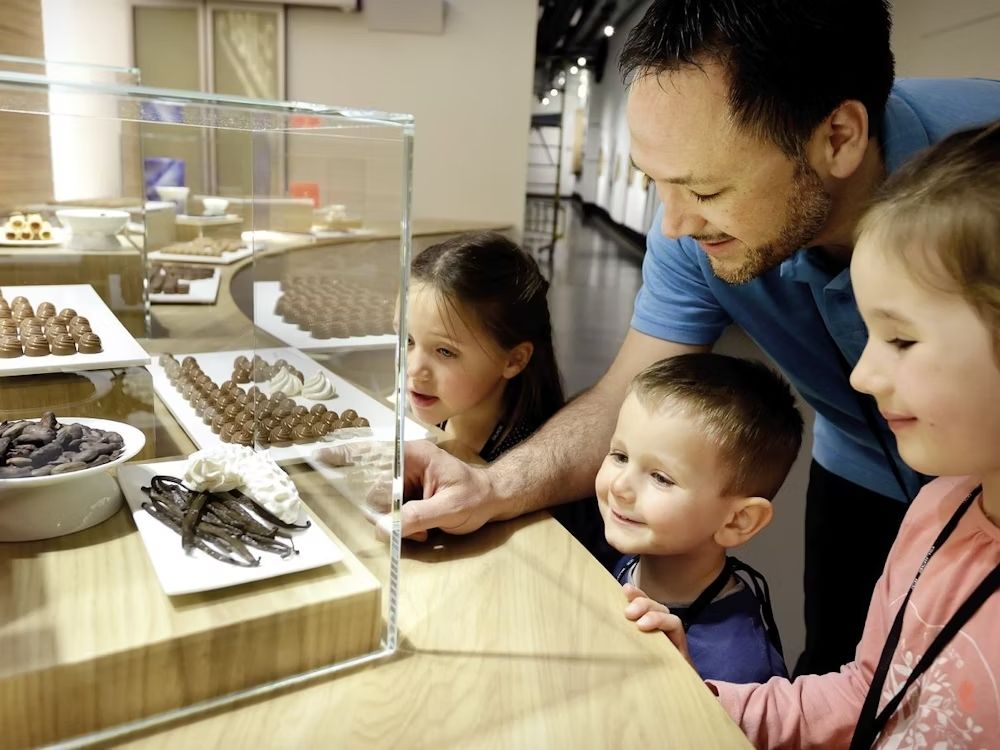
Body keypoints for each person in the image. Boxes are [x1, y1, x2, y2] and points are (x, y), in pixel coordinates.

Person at [398, 0, 1000, 675]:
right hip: (860, 459)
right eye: (654, 183)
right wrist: (490, 487)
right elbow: (627, 390)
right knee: (846, 663)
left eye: (705, 189)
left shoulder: (979, 172)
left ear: (837, 137)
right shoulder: (690, 231)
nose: (675, 224)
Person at [684, 120, 1000, 749]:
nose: (861, 375)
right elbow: (869, 695)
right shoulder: (940, 510)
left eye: (902, 339)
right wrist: (688, 693)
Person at [600, 353, 802, 683]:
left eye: (661, 478)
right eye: (620, 456)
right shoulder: (630, 563)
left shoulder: (743, 667)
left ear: (738, 521)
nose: (620, 486)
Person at [404, 231, 564, 464]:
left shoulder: (523, 466)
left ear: (514, 360)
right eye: (407, 340)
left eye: (445, 351)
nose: (414, 369)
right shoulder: (439, 408)